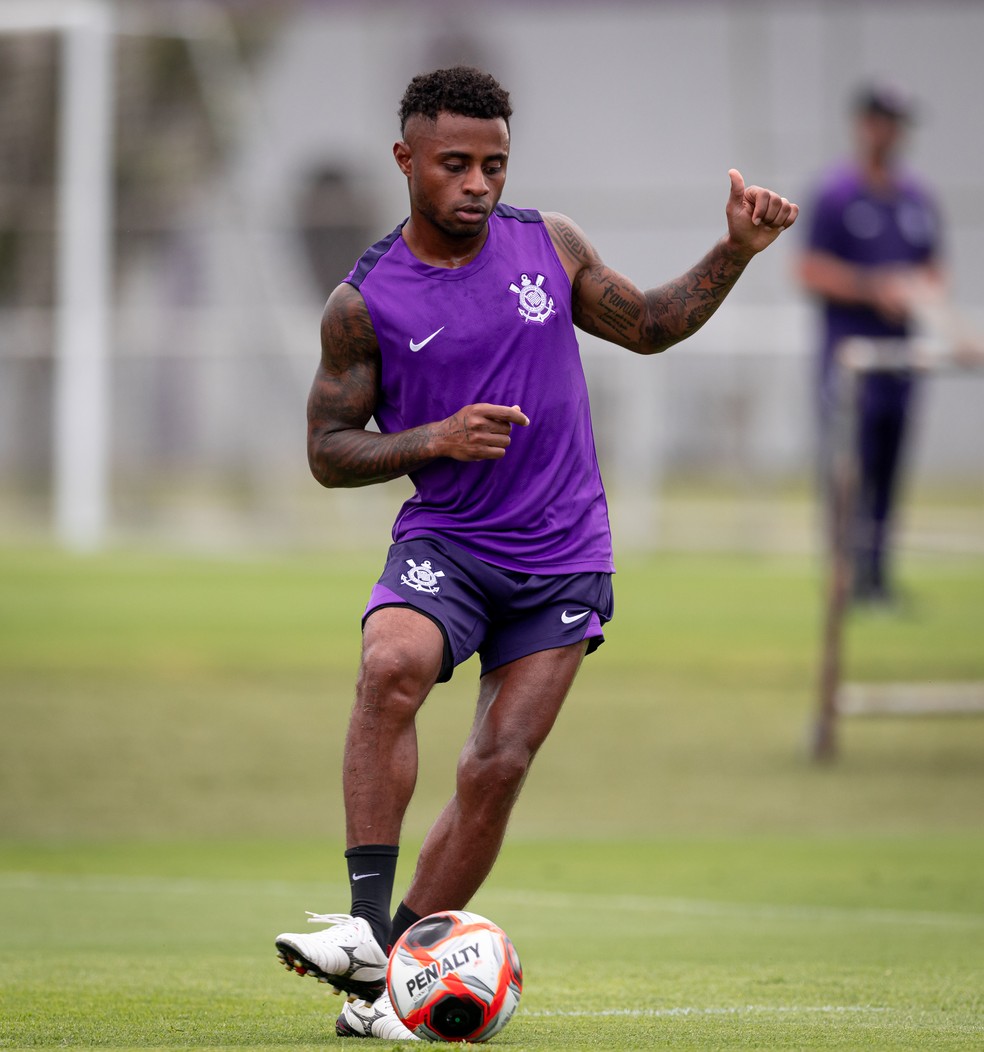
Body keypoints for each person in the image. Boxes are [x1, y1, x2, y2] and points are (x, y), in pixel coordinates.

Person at [275, 66, 797, 1040]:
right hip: (450, 542)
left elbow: (647, 326)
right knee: (391, 665)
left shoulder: (547, 245)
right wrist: (430, 438)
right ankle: (362, 915)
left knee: (497, 763)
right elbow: (327, 452)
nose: (478, 182)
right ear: (408, 162)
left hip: (562, 550)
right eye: (456, 164)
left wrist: (736, 250)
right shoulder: (365, 298)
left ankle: (388, 981)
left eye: (495, 164)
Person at [797, 83, 945, 604]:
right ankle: (842, 576)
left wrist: (919, 296)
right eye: (882, 120)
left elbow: (933, 271)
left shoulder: (917, 199)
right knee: (847, 471)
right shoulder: (836, 194)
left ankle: (878, 577)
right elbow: (809, 270)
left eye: (898, 122)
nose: (890, 132)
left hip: (901, 361)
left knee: (889, 469)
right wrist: (871, 288)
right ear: (863, 124)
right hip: (850, 361)